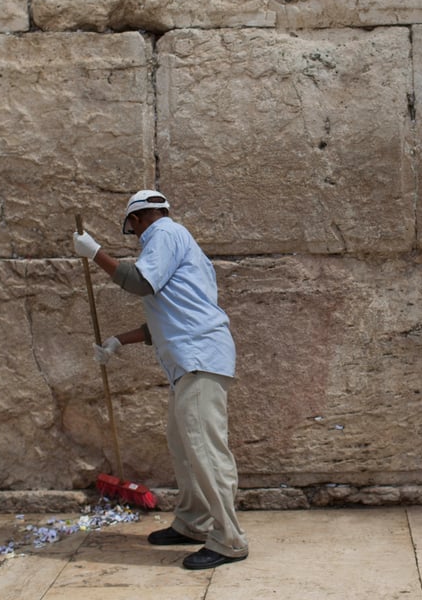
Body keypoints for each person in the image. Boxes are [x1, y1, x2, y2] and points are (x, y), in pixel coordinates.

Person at [72, 189, 249, 570]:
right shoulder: (179, 243)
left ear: (138, 219)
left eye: (131, 230)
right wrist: (119, 341)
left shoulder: (165, 234)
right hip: (192, 360)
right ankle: (194, 523)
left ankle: (229, 539)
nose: (134, 238)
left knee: (205, 451)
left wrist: (96, 253)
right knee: (184, 449)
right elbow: (167, 317)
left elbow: (139, 282)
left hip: (199, 359)